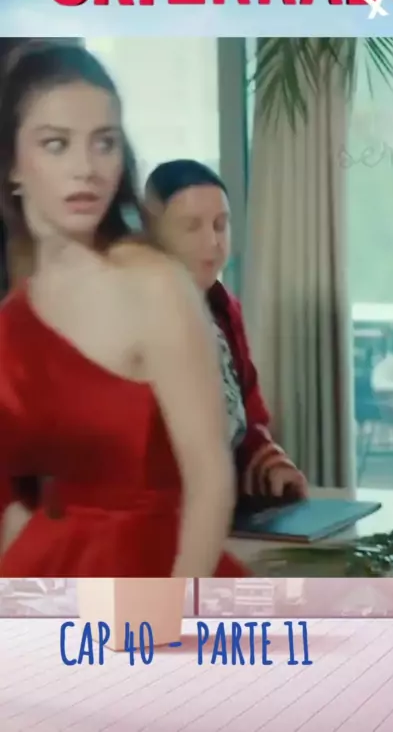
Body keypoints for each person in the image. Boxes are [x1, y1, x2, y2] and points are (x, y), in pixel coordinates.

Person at [0, 42, 250, 578]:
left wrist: (171, 614)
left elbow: (210, 479)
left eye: (105, 143)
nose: (86, 168)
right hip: (41, 574)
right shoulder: (12, 320)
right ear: (13, 164)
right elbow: (14, 501)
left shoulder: (154, 285)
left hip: (153, 570)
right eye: (56, 144)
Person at [144, 160, 308, 501]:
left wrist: (271, 468)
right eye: (191, 226)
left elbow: (249, 413)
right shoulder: (131, 319)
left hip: (229, 509)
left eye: (221, 225)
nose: (213, 241)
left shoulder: (224, 309)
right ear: (152, 234)